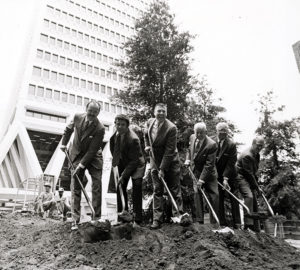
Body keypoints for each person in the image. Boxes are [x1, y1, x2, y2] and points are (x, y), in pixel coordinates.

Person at [60, 100, 105, 230]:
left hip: (93, 156)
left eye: (95, 112)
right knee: (75, 184)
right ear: (86, 109)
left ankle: (96, 218)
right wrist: (64, 143)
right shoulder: (77, 117)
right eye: (90, 111)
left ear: (98, 113)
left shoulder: (100, 128)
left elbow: (92, 151)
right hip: (77, 153)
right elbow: (68, 129)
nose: (92, 113)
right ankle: (75, 220)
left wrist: (81, 166)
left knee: (97, 184)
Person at [144, 103, 183, 229]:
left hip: (170, 162)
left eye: (163, 111)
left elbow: (169, 150)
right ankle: (157, 220)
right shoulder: (149, 122)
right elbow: (146, 134)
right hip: (155, 160)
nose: (161, 113)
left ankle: (177, 216)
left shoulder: (171, 128)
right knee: (157, 190)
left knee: (174, 189)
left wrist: (162, 169)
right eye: (159, 111)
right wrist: (147, 146)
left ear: (166, 113)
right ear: (154, 112)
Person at [109, 114, 145, 225]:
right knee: (120, 186)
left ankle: (137, 218)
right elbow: (113, 149)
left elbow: (134, 161)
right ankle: (122, 215)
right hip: (123, 162)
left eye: (122, 125)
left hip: (137, 164)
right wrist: (115, 165)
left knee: (137, 186)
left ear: (127, 126)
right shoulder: (115, 135)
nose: (119, 126)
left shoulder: (133, 139)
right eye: (118, 124)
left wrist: (123, 175)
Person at [184, 122, 219, 224]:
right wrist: (188, 159)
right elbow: (189, 150)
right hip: (196, 171)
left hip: (209, 174)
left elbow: (209, 165)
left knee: (214, 196)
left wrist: (202, 180)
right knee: (197, 194)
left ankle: (214, 222)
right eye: (197, 132)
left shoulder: (211, 144)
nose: (198, 135)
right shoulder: (192, 137)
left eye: (201, 133)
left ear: (206, 132)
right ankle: (200, 221)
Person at [213, 122, 241, 228]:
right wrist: (215, 174)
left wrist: (226, 178)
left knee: (234, 197)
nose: (222, 135)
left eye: (224, 132)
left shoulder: (231, 145)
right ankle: (222, 223)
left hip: (230, 175)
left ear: (227, 132)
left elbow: (231, 163)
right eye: (220, 132)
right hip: (217, 175)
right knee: (219, 197)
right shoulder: (212, 141)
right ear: (217, 132)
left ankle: (237, 223)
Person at [236, 136, 265, 232]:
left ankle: (256, 228)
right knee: (249, 196)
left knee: (254, 202)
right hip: (241, 177)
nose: (260, 148)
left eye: (262, 146)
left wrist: (257, 186)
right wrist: (257, 187)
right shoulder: (247, 155)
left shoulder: (257, 154)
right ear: (253, 144)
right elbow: (248, 174)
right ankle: (248, 226)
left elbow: (253, 172)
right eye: (258, 146)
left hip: (249, 177)